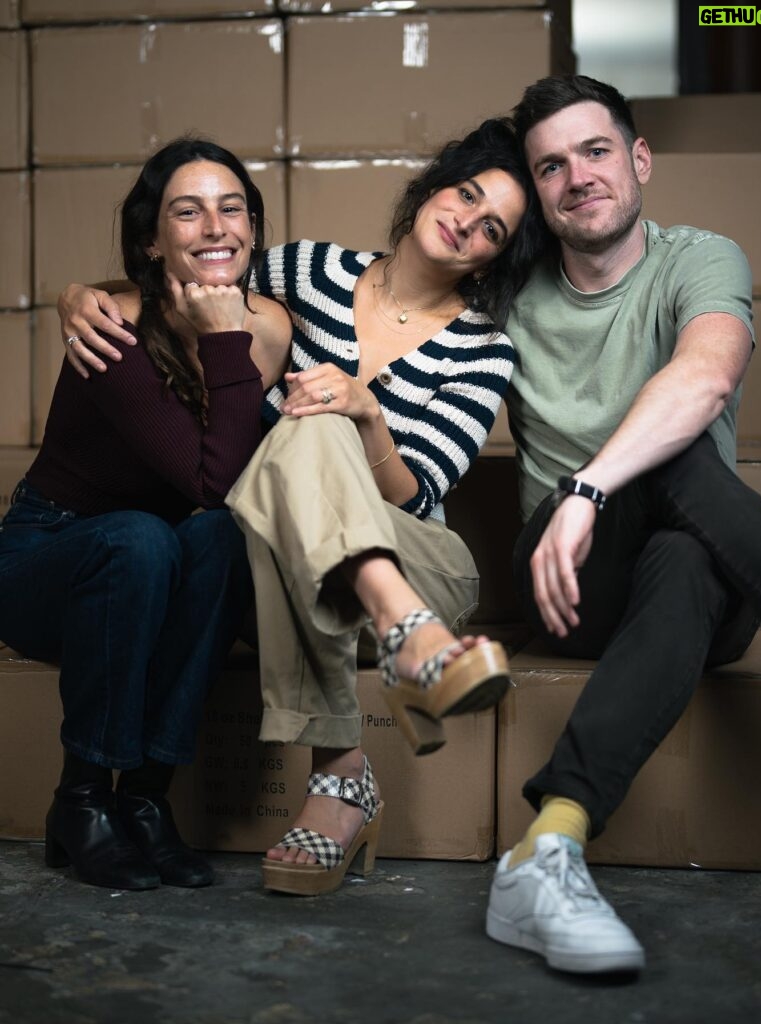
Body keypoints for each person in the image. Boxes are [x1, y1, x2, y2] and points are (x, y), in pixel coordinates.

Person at [56, 118, 548, 897]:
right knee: (291, 441)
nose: (466, 222)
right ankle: (401, 665)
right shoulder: (305, 269)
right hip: (286, 566)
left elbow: (417, 493)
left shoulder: (486, 349)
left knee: (316, 425)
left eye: (493, 227)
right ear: (432, 189)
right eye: (466, 193)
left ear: (498, 255)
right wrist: (80, 295)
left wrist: (366, 413)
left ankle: (380, 684)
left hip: (418, 561)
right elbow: (189, 278)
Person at [484, 75, 761, 976]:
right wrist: (110, 293)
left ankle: (549, 841)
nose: (576, 177)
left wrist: (587, 485)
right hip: (567, 581)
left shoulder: (701, 257)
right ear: (536, 192)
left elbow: (705, 377)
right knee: (677, 466)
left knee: (685, 519)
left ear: (639, 160)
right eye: (550, 166)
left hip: (697, 579)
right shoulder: (511, 293)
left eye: (595, 152)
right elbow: (373, 293)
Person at [0, 138, 292, 891]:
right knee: (142, 538)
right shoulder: (111, 327)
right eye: (186, 213)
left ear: (255, 229)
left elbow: (224, 506)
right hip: (47, 559)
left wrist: (236, 331)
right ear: (151, 239)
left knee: (222, 538)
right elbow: (211, 479)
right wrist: (227, 338)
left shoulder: (271, 324)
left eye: (232, 209)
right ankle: (83, 798)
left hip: (156, 566)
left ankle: (148, 802)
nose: (214, 228)